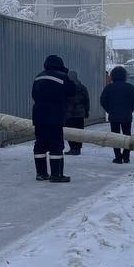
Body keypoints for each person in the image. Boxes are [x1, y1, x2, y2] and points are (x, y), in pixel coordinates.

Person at [32, 54, 76, 182]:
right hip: (55, 115)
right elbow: (72, 91)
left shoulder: (38, 76)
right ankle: (56, 175)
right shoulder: (62, 77)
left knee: (40, 144)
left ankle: (41, 174)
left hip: (39, 115)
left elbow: (34, 95)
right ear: (60, 65)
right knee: (56, 144)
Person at [99, 66, 134, 164]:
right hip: (126, 116)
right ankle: (126, 156)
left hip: (114, 116)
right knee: (127, 136)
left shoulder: (109, 87)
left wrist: (109, 110)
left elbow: (103, 100)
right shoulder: (129, 87)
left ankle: (118, 157)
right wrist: (130, 110)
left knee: (115, 137)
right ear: (124, 76)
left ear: (112, 76)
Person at [64, 71, 90, 155]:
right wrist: (86, 111)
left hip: (69, 114)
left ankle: (73, 148)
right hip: (80, 113)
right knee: (79, 131)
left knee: (70, 131)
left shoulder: (66, 88)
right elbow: (87, 100)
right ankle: (78, 148)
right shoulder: (82, 87)